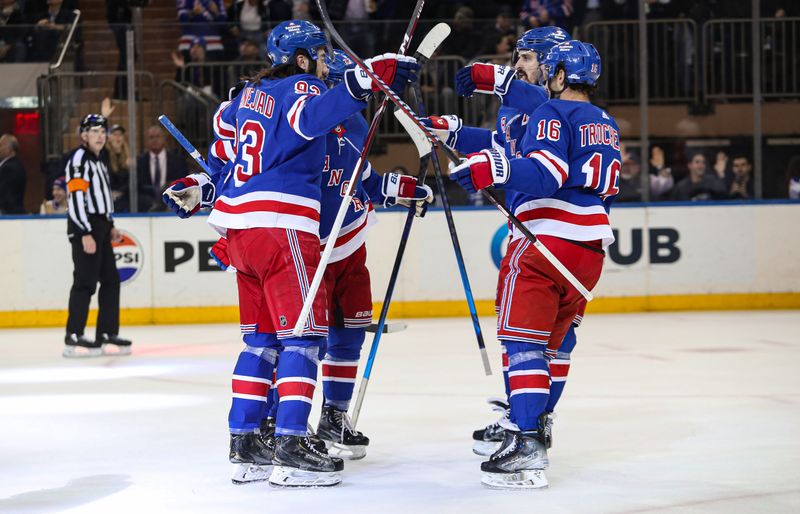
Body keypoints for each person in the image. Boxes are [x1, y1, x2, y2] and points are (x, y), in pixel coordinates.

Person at [161, 20, 420, 487]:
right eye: (319, 55)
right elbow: (311, 116)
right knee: (303, 338)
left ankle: (246, 442)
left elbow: (228, 156)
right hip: (284, 226)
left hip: (239, 228)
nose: (323, 64)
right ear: (301, 58)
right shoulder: (301, 88)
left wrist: (202, 188)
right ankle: (291, 444)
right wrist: (364, 80)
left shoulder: (243, 97)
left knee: (260, 341)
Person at [449, 40, 618, 489]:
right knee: (555, 345)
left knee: (521, 343)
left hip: (543, 238)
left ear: (557, 73)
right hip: (591, 247)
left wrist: (495, 170)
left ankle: (526, 444)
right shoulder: (605, 121)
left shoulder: (549, 111)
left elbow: (545, 172)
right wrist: (458, 136)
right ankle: (536, 428)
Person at [422, 27, 580, 458]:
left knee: (549, 340)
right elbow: (502, 143)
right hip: (529, 230)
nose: (518, 65)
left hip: (554, 231)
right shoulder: (518, 106)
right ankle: (523, 418)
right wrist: (449, 131)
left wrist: (496, 79)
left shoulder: (565, 105)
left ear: (554, 66)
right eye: (518, 58)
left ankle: (533, 426)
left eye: (527, 58)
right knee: (523, 335)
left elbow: (547, 115)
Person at [64, 114, 131, 358]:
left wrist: (110, 224)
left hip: (101, 226)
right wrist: (84, 231)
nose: (101, 135)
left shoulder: (99, 160)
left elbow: (101, 197)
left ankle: (106, 332)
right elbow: (76, 199)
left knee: (111, 280)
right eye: (94, 131)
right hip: (86, 226)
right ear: (83, 135)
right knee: (85, 282)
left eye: (103, 131)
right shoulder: (79, 159)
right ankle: (73, 334)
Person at [136, 125, 187, 212]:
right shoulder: (140, 161)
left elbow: (184, 183)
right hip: (146, 208)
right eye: (151, 137)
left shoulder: (177, 160)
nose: (155, 140)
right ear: (146, 141)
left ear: (164, 139)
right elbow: (138, 186)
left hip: (172, 206)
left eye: (157, 137)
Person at [106, 124, 131, 212]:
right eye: (115, 134)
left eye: (120, 134)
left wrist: (130, 169)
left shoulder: (129, 158)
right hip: (109, 195)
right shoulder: (104, 156)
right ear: (109, 138)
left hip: (125, 196)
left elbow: (132, 182)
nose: (118, 137)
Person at [0, 133, 26, 214]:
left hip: (8, 214)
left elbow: (6, 196)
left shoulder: (11, 168)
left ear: (9, 148)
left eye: (0, 145)